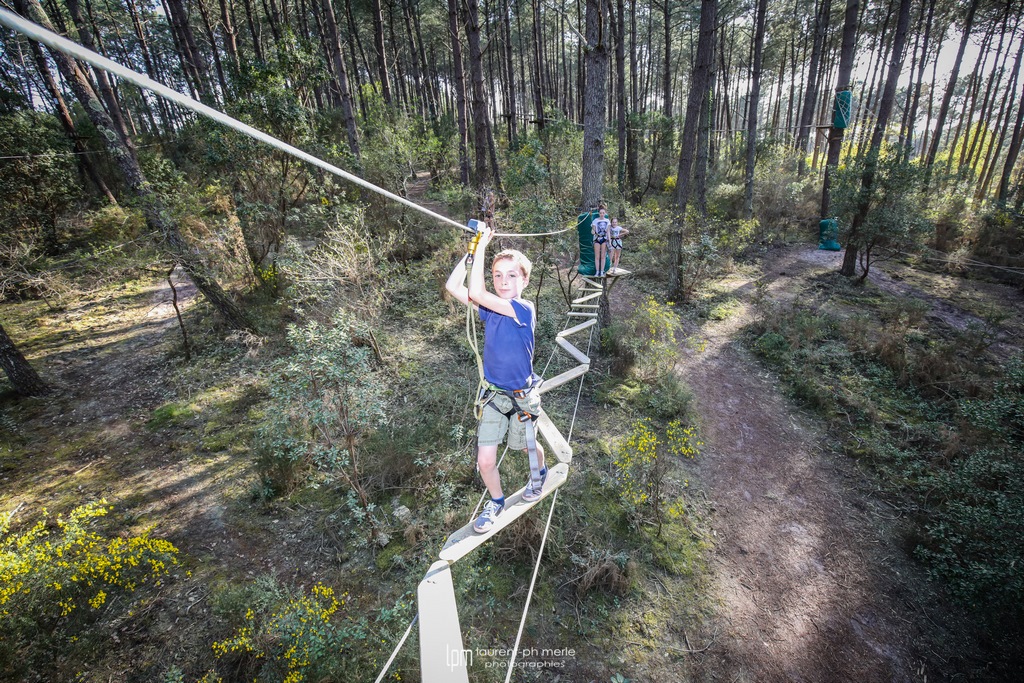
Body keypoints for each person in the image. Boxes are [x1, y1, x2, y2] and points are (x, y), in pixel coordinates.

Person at [445, 225, 547, 533]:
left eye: (512, 275)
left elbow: (476, 292)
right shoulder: (490, 310)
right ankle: (496, 501)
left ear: (525, 280)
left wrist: (484, 246)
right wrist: (471, 253)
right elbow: (454, 286)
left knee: (526, 447)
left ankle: (539, 471)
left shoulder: (523, 309)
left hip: (521, 395)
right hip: (493, 396)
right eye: (498, 275)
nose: (503, 281)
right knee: (486, 461)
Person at [591, 205, 610, 277]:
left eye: (603, 213)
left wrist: (610, 242)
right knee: (597, 256)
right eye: (601, 213)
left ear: (605, 213)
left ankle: (602, 271)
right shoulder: (595, 221)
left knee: (603, 256)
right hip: (597, 239)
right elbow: (593, 230)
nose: (602, 214)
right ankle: (597, 271)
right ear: (599, 213)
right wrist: (593, 230)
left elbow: (608, 232)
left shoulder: (607, 221)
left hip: (604, 239)